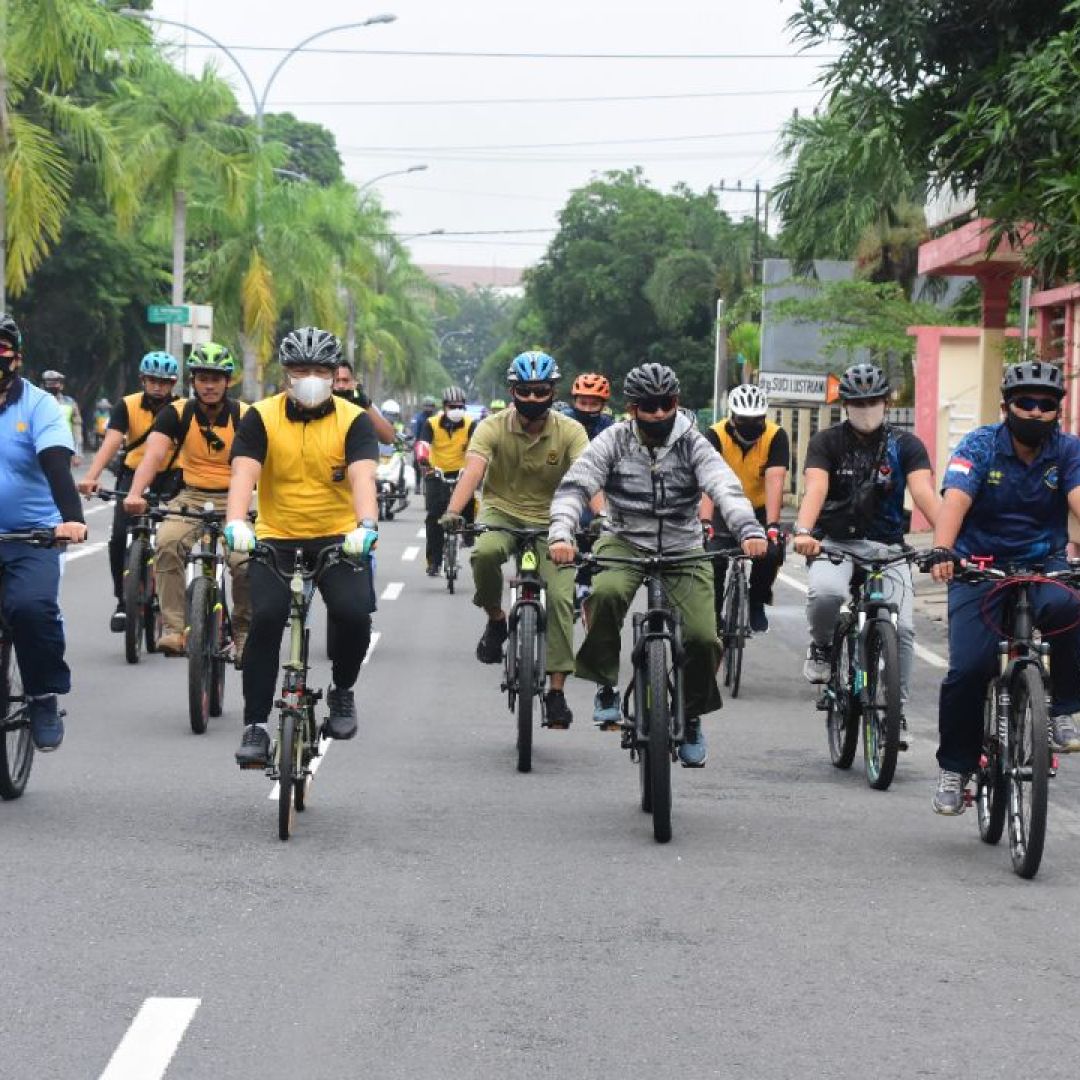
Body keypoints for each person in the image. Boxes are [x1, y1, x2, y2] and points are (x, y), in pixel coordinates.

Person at [548, 362, 767, 766]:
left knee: (703, 637)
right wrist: (561, 534)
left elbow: (725, 487)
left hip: (684, 546)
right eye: (648, 406)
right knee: (607, 594)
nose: (658, 414)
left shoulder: (693, 442)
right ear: (632, 408)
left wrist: (748, 530)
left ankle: (693, 714)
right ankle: (605, 685)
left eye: (665, 404)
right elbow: (575, 487)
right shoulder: (612, 440)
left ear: (676, 403)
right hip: (625, 539)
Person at [926, 360, 1080, 814]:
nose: (1035, 412)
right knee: (969, 669)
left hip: (1043, 564)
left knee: (1072, 609)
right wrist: (942, 550)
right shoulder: (980, 445)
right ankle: (955, 768)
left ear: (1057, 411)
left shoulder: (1068, 450)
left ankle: (1062, 710)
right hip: (979, 566)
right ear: (1006, 406)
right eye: (1025, 403)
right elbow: (955, 499)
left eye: (1046, 404)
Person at [224, 327, 380, 767]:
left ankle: (343, 691)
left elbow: (363, 477)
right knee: (266, 620)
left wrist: (365, 525)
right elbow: (243, 475)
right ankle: (255, 725)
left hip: (338, 538)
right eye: (300, 369)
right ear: (286, 374)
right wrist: (236, 521)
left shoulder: (354, 420)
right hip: (275, 537)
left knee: (352, 613)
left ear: (334, 375)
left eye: (319, 370)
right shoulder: (260, 416)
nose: (309, 377)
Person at [791, 362, 939, 748]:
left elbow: (924, 494)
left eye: (873, 400)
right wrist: (804, 531)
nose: (866, 408)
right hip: (833, 544)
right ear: (845, 405)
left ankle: (894, 711)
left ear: (886, 403)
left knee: (903, 629)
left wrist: (952, 540)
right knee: (827, 594)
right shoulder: (827, 442)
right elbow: (816, 489)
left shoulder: (906, 446)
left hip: (888, 549)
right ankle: (823, 646)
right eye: (858, 402)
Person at [440, 350, 589, 729]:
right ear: (513, 390)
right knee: (485, 553)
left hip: (554, 520)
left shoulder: (571, 431)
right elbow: (473, 472)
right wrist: (455, 512)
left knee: (559, 597)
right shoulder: (490, 427)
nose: (534, 399)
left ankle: (556, 692)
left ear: (553, 391)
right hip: (501, 510)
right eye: (526, 391)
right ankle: (495, 618)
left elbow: (589, 479)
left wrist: (602, 517)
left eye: (542, 392)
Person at [123, 342, 251, 658]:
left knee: (244, 562)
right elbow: (152, 456)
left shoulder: (245, 415)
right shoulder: (176, 413)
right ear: (192, 380)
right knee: (166, 542)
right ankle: (174, 629)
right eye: (202, 378)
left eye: (216, 378)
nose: (209, 385)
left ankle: (243, 631)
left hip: (236, 499)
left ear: (228, 381)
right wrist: (135, 493)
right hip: (191, 497)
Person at [0, 313, 88, 750]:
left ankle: (41, 696)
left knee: (31, 609)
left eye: (1, 348)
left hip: (30, 537)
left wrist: (70, 519)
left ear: (16, 356)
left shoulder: (39, 405)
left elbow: (56, 465)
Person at [78, 352, 181, 631]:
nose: (158, 386)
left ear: (173, 383)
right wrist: (91, 476)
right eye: (152, 380)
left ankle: (167, 598)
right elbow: (111, 442)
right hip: (132, 475)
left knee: (170, 540)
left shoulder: (184, 408)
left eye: (164, 381)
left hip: (171, 478)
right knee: (119, 536)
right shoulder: (127, 405)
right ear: (142, 380)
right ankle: (122, 602)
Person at [699, 383, 789, 634]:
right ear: (732, 417)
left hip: (759, 509)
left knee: (772, 552)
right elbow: (706, 482)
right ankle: (713, 613)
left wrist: (772, 526)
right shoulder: (715, 434)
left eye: (756, 420)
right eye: (743, 419)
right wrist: (706, 522)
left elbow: (775, 480)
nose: (750, 425)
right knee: (713, 557)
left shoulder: (776, 435)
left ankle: (757, 601)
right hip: (720, 508)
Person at [419, 385, 477, 575]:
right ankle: (434, 561)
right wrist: (423, 459)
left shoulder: (470, 424)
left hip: (462, 472)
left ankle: (468, 533)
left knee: (468, 503)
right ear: (444, 407)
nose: (456, 410)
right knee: (434, 516)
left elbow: (478, 447)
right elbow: (424, 444)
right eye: (452, 406)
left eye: (460, 406)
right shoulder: (431, 423)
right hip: (436, 472)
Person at [333, 361, 398, 445]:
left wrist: (364, 403)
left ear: (353, 382)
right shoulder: (321, 406)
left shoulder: (364, 405)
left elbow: (389, 438)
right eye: (337, 380)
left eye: (345, 380)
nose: (341, 385)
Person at [40, 369, 83, 464]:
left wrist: (77, 452)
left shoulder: (70, 403)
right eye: (49, 383)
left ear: (61, 385)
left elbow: (77, 428)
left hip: (63, 448)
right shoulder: (36, 403)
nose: (52, 386)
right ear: (43, 385)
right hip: (41, 448)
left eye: (55, 383)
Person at [567, 372, 616, 440]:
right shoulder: (562, 421)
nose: (587, 409)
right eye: (583, 403)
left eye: (594, 404)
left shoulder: (608, 425)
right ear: (574, 402)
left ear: (603, 406)